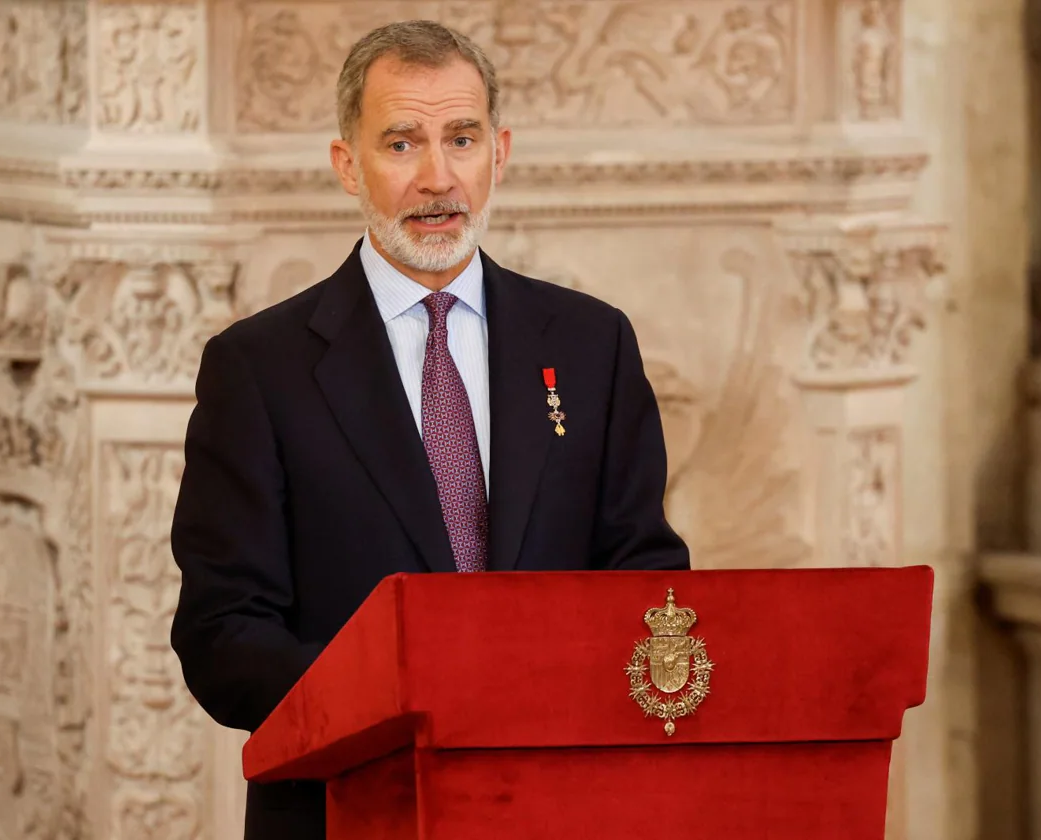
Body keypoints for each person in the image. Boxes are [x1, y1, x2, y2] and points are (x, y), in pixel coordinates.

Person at [169, 19, 690, 840]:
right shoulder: (258, 369)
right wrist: (398, 699)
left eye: (462, 138)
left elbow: (646, 578)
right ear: (348, 164)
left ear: (500, 153)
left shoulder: (593, 344)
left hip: (561, 807)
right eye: (403, 143)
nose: (438, 178)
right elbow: (221, 634)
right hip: (348, 807)